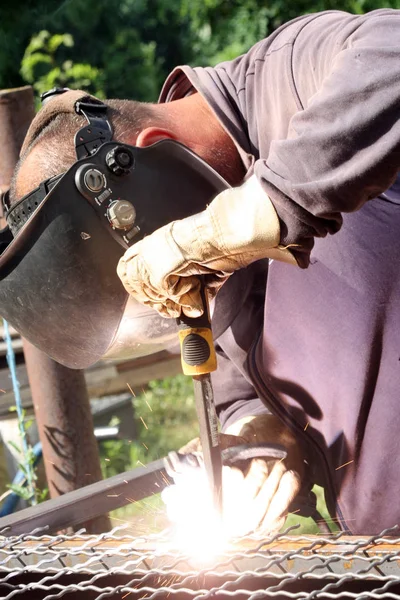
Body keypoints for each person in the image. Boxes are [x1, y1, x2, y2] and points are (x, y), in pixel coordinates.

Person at [9, 8, 400, 535]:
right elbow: (246, 391)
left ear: (146, 155)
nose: (182, 306)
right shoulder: (199, 235)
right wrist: (262, 438)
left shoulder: (287, 80)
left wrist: (263, 208)